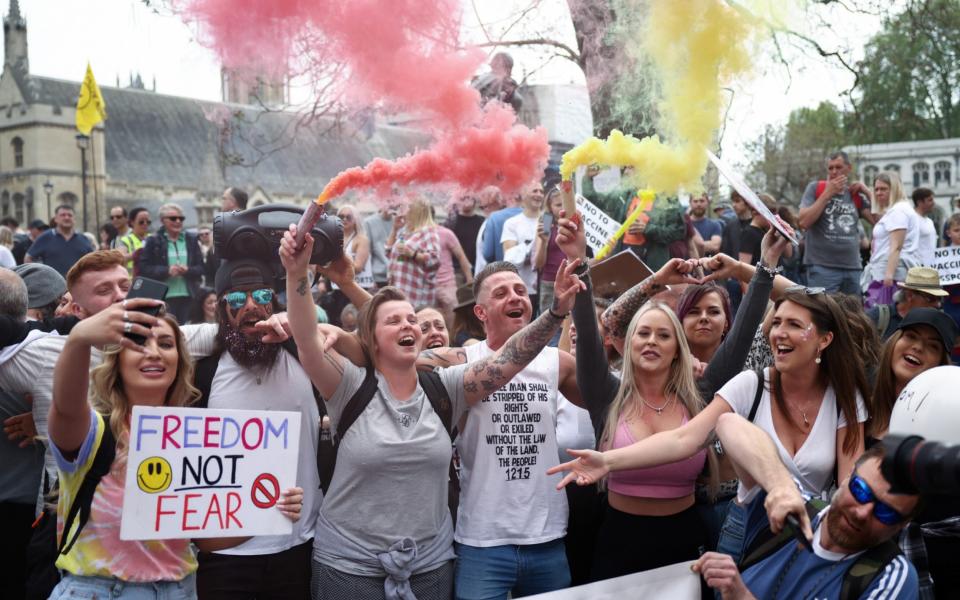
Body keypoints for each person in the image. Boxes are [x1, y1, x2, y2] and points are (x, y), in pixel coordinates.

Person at [278, 223, 582, 600]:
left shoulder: (449, 388)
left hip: (430, 568)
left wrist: (554, 314)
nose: (408, 324)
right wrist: (297, 272)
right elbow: (307, 342)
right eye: (394, 320)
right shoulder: (349, 386)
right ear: (371, 339)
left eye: (412, 320)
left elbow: (509, 359)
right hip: (349, 568)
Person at [551, 286, 870, 563]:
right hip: (744, 529)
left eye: (794, 325)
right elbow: (685, 439)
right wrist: (606, 460)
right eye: (777, 323)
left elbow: (849, 483)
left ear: (825, 339)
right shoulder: (749, 384)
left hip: (810, 531)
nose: (778, 333)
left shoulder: (845, 397)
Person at [47, 299, 301, 599]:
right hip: (101, 591)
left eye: (166, 344)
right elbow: (65, 407)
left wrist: (268, 511)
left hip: (180, 589)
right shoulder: (94, 432)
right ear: (117, 359)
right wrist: (78, 339)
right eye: (139, 343)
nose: (154, 353)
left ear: (179, 360)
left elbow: (201, 539)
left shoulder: (192, 439)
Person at [194, 259, 321, 600]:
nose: (250, 306)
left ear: (275, 301)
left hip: (299, 547)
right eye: (236, 300)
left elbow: (365, 352)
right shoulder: (201, 374)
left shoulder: (309, 358)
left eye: (261, 295)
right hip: (224, 555)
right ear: (222, 310)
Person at [692, 414, 919, 599]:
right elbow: (728, 423)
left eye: (886, 512)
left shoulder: (890, 577)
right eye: (861, 490)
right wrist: (781, 486)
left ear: (901, 525)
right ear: (849, 474)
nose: (862, 512)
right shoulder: (795, 510)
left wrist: (741, 596)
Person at [866, 308, 954, 443]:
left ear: (940, 364)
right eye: (911, 336)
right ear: (893, 342)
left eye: (932, 346)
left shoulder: (944, 424)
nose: (918, 347)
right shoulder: (859, 407)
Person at [797, 151, 874, 294]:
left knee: (852, 314)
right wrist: (827, 193)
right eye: (830, 168)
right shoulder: (815, 188)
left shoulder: (854, 194)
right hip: (822, 268)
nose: (834, 172)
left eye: (838, 167)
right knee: (823, 312)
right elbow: (803, 222)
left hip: (853, 267)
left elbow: (880, 221)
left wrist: (868, 192)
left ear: (849, 168)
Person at [861, 172, 920, 308]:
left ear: (894, 189)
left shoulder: (899, 211)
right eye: (876, 189)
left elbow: (896, 246)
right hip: (887, 271)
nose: (878, 193)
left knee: (883, 318)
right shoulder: (896, 210)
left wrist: (888, 276)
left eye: (883, 189)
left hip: (891, 274)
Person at [139, 203, 205, 323]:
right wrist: (166, 271)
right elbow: (144, 269)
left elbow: (201, 268)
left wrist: (188, 270)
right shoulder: (153, 241)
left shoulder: (191, 239)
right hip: (163, 298)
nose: (178, 221)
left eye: (181, 218)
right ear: (162, 221)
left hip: (189, 296)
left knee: (187, 333)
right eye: (173, 218)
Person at [866, 267, 947, 341]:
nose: (938, 304)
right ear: (910, 295)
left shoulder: (937, 325)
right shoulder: (878, 317)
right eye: (931, 298)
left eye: (940, 299)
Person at [386, 198, 441, 309]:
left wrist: (412, 254)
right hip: (399, 288)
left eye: (407, 208)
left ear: (416, 211)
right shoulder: (406, 231)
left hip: (416, 294)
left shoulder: (428, 231)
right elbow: (389, 252)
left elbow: (434, 260)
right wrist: (395, 229)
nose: (404, 212)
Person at [501, 182, 545, 309]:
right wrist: (531, 249)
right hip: (520, 288)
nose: (539, 195)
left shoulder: (547, 220)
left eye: (541, 192)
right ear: (524, 195)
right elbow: (509, 257)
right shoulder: (512, 223)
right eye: (534, 191)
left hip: (545, 287)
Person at [24, 205, 95, 276]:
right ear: (56, 219)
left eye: (70, 215)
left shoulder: (83, 239)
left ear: (74, 219)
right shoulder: (46, 237)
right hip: (52, 284)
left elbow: (93, 261)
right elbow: (28, 258)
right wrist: (37, 277)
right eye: (63, 215)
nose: (66, 217)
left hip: (78, 285)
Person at [533, 186, 567, 318]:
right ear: (550, 207)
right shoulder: (546, 222)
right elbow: (538, 264)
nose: (563, 208)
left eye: (566, 204)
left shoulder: (575, 223)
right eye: (558, 205)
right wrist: (544, 242)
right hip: (550, 283)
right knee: (549, 325)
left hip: (571, 281)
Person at [435, 222, 473, 327]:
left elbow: (461, 257)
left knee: (455, 322)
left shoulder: (446, 233)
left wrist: (470, 280)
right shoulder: (417, 235)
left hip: (447, 284)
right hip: (426, 287)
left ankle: (455, 340)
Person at [445, 194, 485, 280]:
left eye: (469, 198)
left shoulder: (482, 222)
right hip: (456, 271)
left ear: (475, 200)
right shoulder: (451, 222)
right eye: (463, 198)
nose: (466, 202)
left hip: (477, 270)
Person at [363, 203, 395, 290]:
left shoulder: (400, 221)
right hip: (377, 277)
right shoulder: (369, 222)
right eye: (387, 201)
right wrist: (370, 278)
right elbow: (367, 253)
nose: (390, 204)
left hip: (396, 276)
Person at [118, 207, 150, 275]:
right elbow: (120, 258)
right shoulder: (126, 240)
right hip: (133, 282)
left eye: (148, 222)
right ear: (132, 222)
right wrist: (135, 255)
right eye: (141, 222)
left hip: (150, 280)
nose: (145, 224)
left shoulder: (152, 238)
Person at [689, 191, 722, 256]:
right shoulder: (683, 224)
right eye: (695, 201)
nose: (699, 204)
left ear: (707, 202)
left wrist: (690, 246)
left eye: (702, 201)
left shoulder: (715, 225)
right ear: (690, 203)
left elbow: (715, 246)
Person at [913, 187, 937, 266]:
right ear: (920, 202)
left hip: (931, 265)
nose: (933, 203)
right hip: (918, 267)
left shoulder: (929, 221)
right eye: (930, 200)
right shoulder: (912, 219)